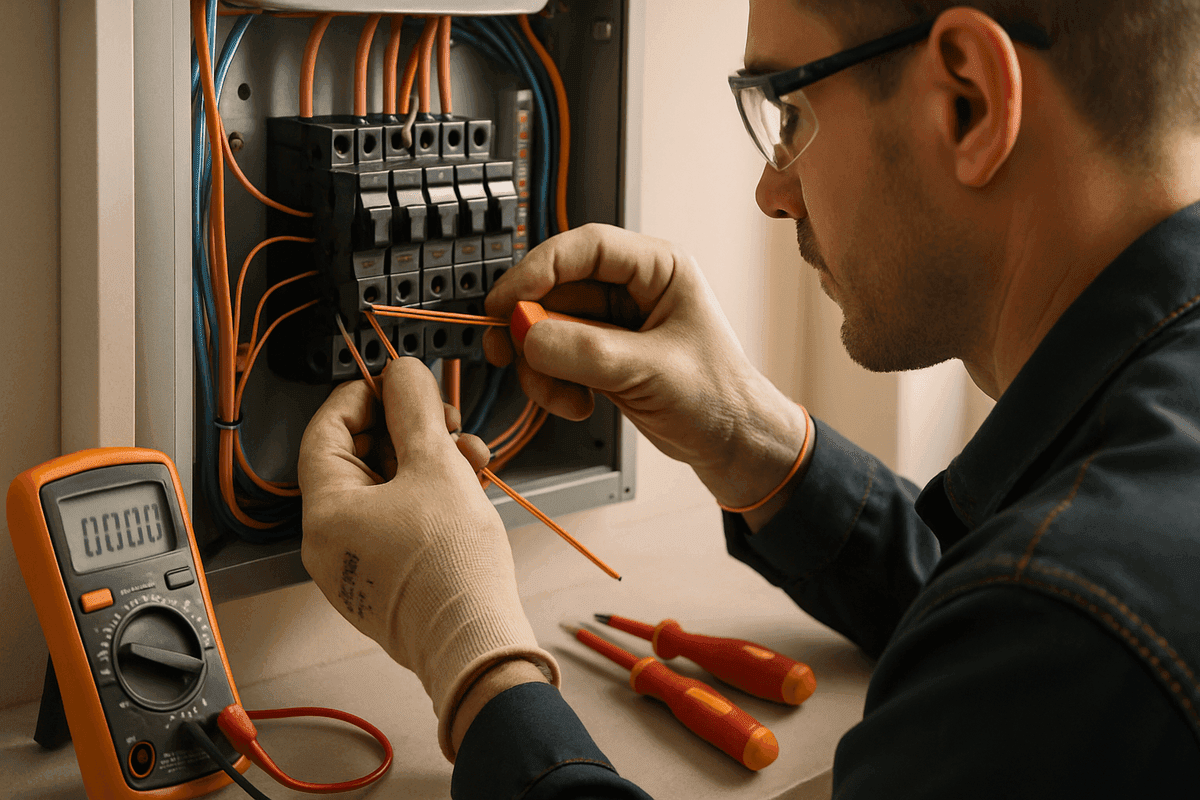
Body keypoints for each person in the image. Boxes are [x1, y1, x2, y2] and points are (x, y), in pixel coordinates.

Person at [297, 0, 1200, 796]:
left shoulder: (1068, 628)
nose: (772, 193)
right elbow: (990, 619)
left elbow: (1036, 629)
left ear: (968, 102)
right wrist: (753, 442)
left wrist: (473, 655)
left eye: (790, 112)